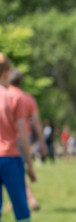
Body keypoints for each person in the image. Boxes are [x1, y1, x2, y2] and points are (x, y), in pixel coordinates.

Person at [0, 54, 40, 222]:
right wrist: (30, 166)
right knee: (21, 209)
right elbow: (23, 135)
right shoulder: (13, 98)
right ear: (6, 73)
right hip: (10, 158)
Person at [8, 69, 44, 211]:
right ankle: (15, 200)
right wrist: (42, 141)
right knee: (18, 169)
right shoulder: (28, 98)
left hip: (10, 139)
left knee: (16, 171)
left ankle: (30, 199)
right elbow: (36, 122)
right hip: (26, 138)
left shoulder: (5, 96)